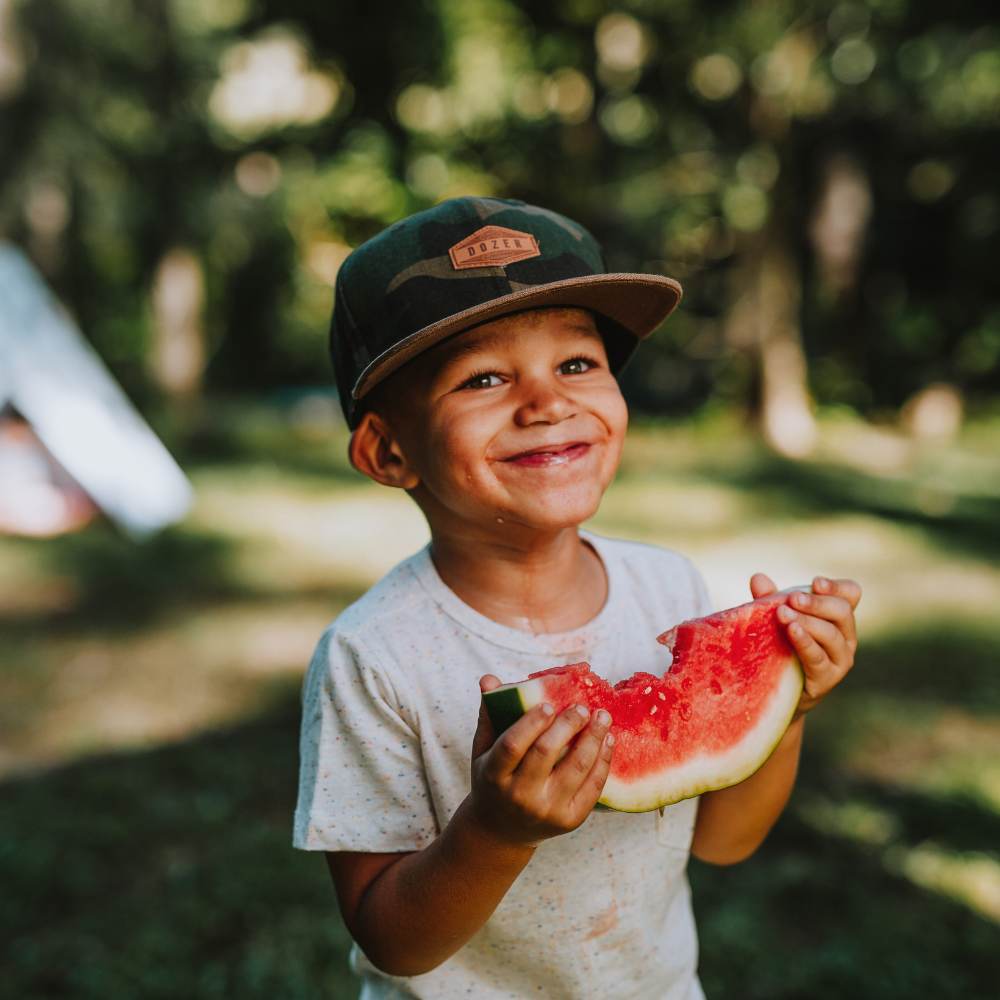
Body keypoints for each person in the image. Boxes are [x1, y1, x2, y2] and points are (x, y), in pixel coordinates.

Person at [293, 197, 860, 1000]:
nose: (547, 402)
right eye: (484, 378)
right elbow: (391, 940)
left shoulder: (668, 589)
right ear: (388, 450)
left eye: (577, 364)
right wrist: (491, 832)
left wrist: (788, 705)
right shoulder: (371, 657)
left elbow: (725, 843)